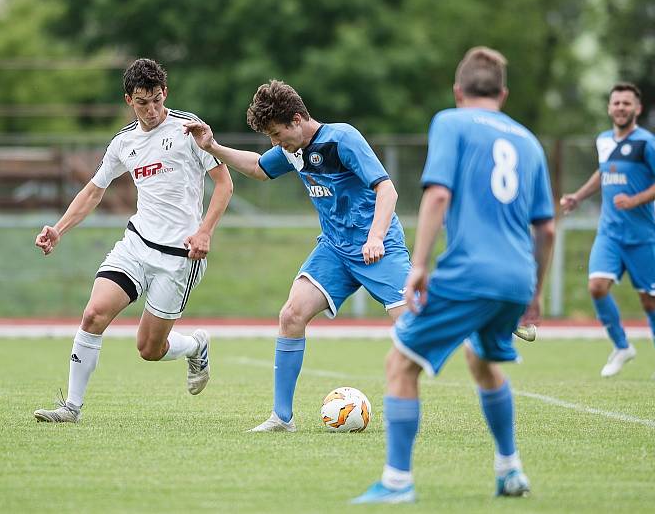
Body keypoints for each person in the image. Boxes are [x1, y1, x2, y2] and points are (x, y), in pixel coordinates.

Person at [352, 46, 555, 504]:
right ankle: (510, 470)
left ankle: (397, 482)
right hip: (517, 276)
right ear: (503, 92)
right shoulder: (528, 140)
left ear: (457, 90)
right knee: (482, 362)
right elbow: (546, 228)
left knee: (400, 364)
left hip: (469, 274)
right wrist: (535, 294)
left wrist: (419, 264)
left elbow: (438, 195)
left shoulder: (450, 121)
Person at [183, 80, 411, 432]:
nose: (276, 143)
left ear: (298, 118)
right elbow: (259, 168)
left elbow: (387, 188)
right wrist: (213, 146)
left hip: (376, 247)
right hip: (335, 249)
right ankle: (281, 418)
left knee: (414, 325)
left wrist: (376, 236)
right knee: (291, 314)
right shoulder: (292, 150)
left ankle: (480, 314)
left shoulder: (342, 139)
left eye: (277, 134)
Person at [33, 58, 233, 422]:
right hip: (137, 245)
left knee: (148, 349)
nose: (152, 109)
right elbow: (94, 191)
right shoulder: (123, 142)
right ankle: (71, 408)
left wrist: (205, 230)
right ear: (129, 100)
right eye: (143, 102)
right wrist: (58, 229)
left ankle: (195, 345)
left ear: (165, 94)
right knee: (93, 314)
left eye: (157, 100)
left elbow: (225, 184)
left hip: (179, 257)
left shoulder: (190, 130)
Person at [560, 82, 655, 382]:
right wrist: (577, 197)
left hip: (642, 237)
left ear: (637, 109)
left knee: (649, 301)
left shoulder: (647, 142)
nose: (621, 108)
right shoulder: (603, 140)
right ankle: (622, 346)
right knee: (597, 287)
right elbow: (603, 172)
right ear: (609, 107)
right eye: (616, 103)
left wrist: (635, 200)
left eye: (627, 103)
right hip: (609, 233)